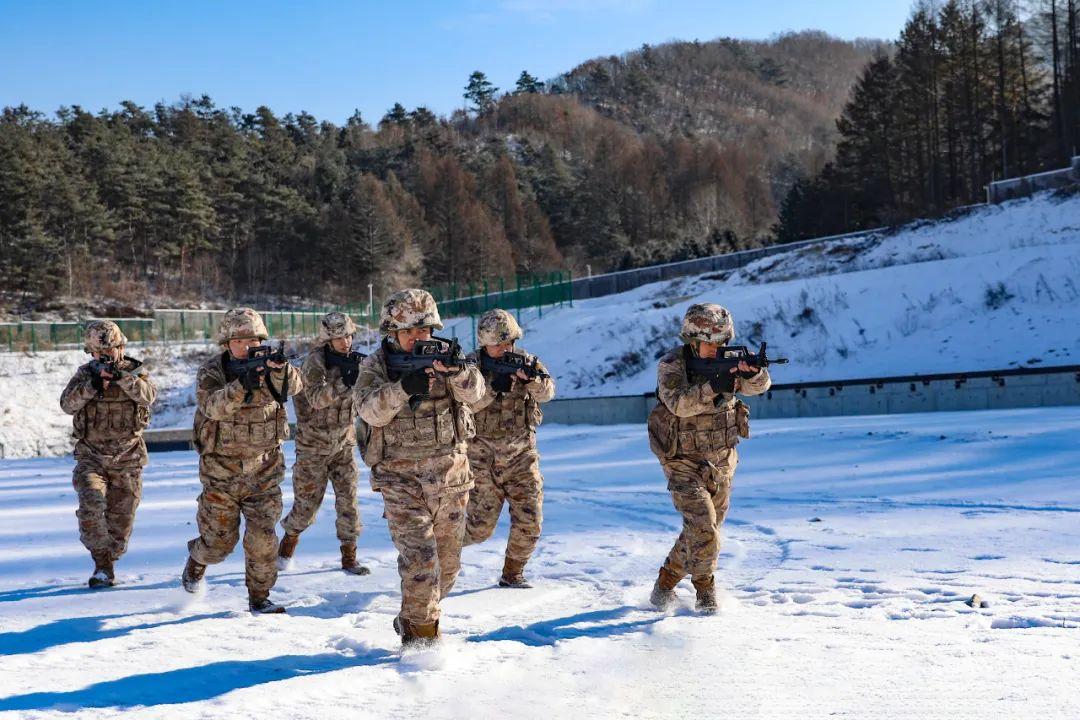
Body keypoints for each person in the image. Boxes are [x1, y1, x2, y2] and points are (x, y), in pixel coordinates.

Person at [353, 289, 485, 646]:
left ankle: (412, 618)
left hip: (451, 479)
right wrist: (402, 389)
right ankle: (422, 648)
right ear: (392, 332)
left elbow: (478, 395)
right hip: (400, 481)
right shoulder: (374, 367)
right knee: (421, 561)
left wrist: (458, 373)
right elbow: (368, 411)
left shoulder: (449, 358)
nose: (418, 338)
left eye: (425, 331)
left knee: (448, 568)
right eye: (410, 332)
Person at [647, 303, 771, 613]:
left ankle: (665, 583)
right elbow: (677, 403)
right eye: (709, 343)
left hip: (721, 462)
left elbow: (760, 386)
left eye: (722, 343)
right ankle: (705, 593)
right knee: (702, 528)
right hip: (682, 462)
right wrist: (713, 386)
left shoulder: (729, 361)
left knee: (704, 531)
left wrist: (753, 374)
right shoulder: (672, 365)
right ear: (692, 339)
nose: (717, 350)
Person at [180, 307, 303, 614]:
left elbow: (296, 386)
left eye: (255, 338)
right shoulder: (212, 371)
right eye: (241, 339)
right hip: (221, 475)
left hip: (264, 471)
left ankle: (259, 597)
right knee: (218, 545)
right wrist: (241, 385)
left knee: (263, 539)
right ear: (227, 342)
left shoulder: (268, 365)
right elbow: (211, 406)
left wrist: (280, 370)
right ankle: (197, 559)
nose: (249, 345)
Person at [60, 320, 157, 588]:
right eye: (99, 354)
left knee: (120, 526)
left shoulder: (136, 373)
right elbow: (67, 405)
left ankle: (110, 558)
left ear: (121, 348)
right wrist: (92, 385)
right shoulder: (84, 376)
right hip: (92, 458)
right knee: (91, 503)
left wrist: (123, 378)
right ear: (91, 354)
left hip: (128, 460)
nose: (105, 357)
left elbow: (148, 396)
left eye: (111, 351)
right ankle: (102, 566)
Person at [462, 309, 555, 588]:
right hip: (481, 459)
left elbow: (549, 392)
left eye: (509, 342)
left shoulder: (526, 361)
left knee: (531, 520)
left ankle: (513, 573)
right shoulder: (469, 366)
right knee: (479, 529)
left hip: (521, 457)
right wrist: (492, 388)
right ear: (484, 343)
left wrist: (533, 381)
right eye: (498, 344)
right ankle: (440, 549)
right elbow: (463, 403)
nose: (505, 348)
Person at [278, 311, 369, 575]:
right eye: (339, 338)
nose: (346, 343)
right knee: (305, 508)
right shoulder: (313, 364)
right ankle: (287, 546)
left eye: (349, 336)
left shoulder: (353, 360)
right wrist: (344, 382)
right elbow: (317, 399)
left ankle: (349, 557)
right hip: (312, 449)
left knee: (349, 503)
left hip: (343, 444)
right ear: (328, 340)